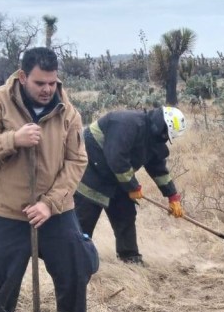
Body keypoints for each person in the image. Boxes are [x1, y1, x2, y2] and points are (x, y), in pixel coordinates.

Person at [0, 47, 100, 312]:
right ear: (23, 76)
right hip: (5, 211)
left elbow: (77, 161)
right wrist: (13, 139)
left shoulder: (67, 110)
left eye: (52, 82)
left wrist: (49, 204)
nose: (47, 89)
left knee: (75, 267)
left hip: (55, 211)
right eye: (40, 83)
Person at [73, 106, 187, 266]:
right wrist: (133, 186)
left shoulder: (155, 137)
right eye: (165, 134)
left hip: (117, 176)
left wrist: (172, 195)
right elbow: (116, 159)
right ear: (160, 125)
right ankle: (76, 260)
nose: (164, 138)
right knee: (84, 217)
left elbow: (158, 168)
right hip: (92, 170)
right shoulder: (126, 123)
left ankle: (130, 258)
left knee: (125, 212)